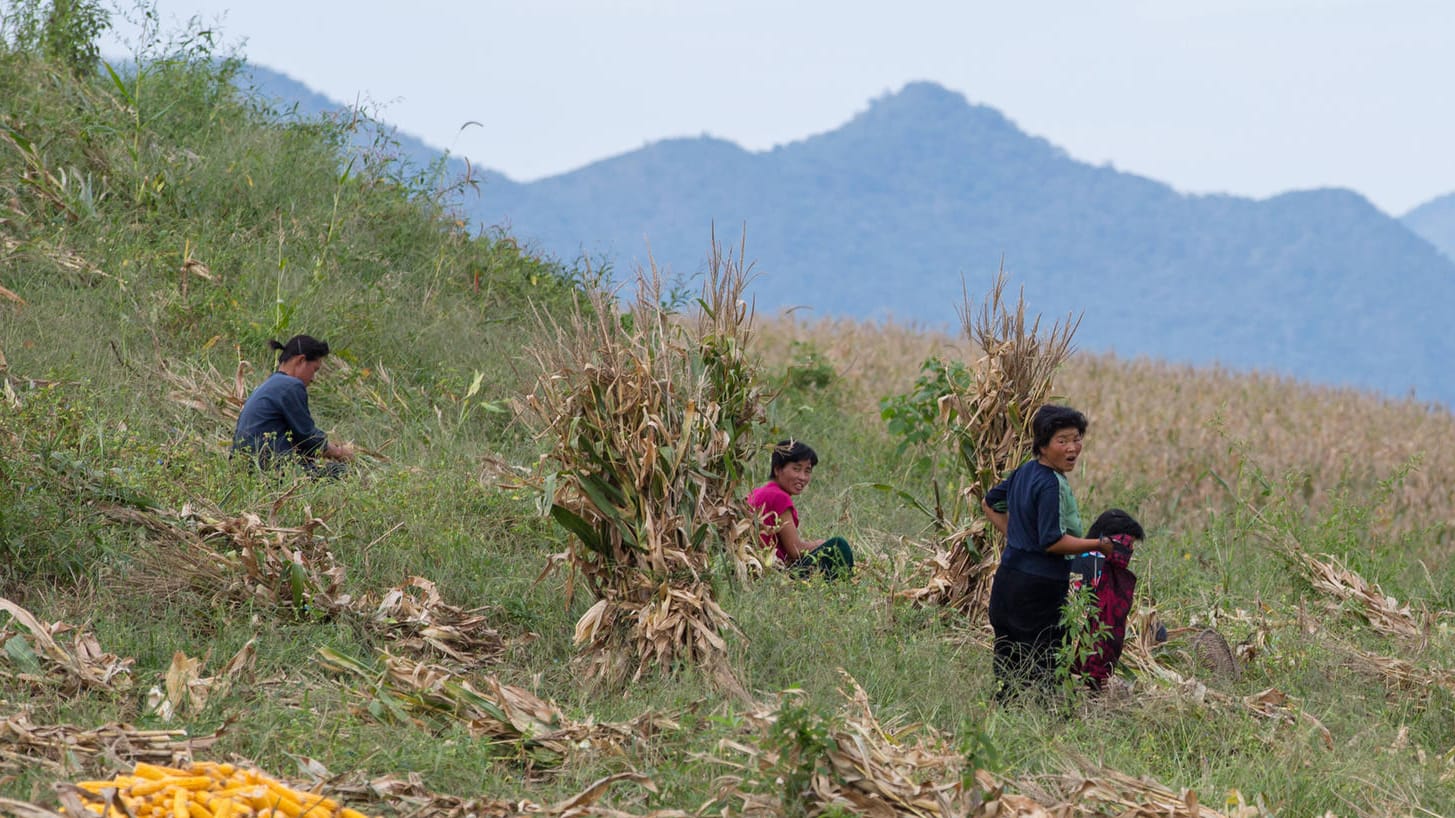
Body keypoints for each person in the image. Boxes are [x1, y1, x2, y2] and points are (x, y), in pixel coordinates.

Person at [982, 404, 1111, 699]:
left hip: (1008, 579)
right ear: (1042, 445)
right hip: (1038, 588)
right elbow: (1053, 542)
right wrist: (1097, 545)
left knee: (1008, 658)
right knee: (1044, 660)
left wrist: (1017, 537)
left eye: (1076, 438)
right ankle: (1045, 719)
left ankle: (1005, 714)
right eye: (1062, 440)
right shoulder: (1050, 485)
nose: (1072, 448)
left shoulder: (1025, 471)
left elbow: (989, 504)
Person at [232, 334, 355, 477]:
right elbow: (309, 438)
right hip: (270, 469)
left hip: (243, 468)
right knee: (342, 472)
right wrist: (341, 452)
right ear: (301, 360)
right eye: (314, 370)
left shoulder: (267, 386)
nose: (313, 378)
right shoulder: (291, 385)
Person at [746, 440, 854, 580]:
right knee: (838, 546)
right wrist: (819, 543)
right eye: (796, 469)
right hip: (775, 573)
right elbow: (795, 550)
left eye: (807, 471)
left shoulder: (758, 492)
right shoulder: (779, 497)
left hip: (756, 567)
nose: (802, 477)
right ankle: (844, 587)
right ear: (777, 469)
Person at [1069, 508, 1146, 691]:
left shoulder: (1084, 560)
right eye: (1129, 544)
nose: (1131, 550)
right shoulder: (1096, 565)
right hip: (1080, 665)